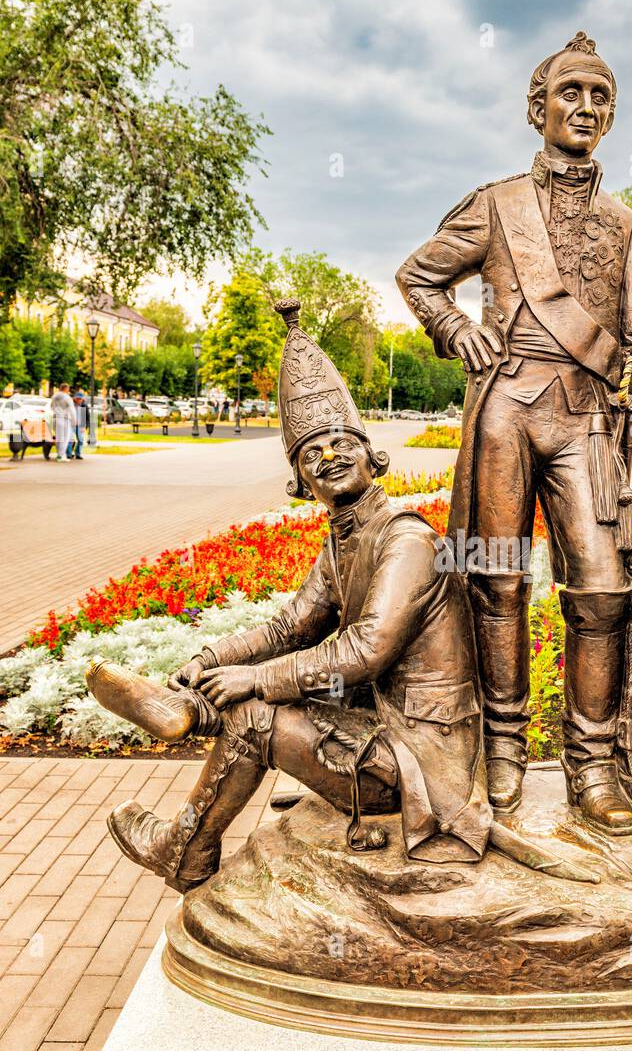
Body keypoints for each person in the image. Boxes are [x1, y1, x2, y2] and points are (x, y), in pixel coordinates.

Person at [396, 31, 632, 833]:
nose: (587, 109)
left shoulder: (626, 224)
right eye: (573, 93)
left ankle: (592, 766)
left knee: (601, 590)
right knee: (496, 580)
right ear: (538, 109)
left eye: (602, 98)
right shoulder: (496, 205)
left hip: (588, 421)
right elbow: (418, 276)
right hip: (505, 414)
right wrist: (453, 329)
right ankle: (500, 752)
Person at [91, 300, 492, 893]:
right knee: (251, 695)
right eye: (310, 453)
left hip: (424, 764)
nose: (327, 456)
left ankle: (185, 847)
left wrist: (254, 681)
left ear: (369, 452)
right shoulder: (341, 543)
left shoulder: (406, 540)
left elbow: (364, 651)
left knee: (253, 715)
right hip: (381, 730)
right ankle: (191, 709)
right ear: (300, 481)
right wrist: (212, 659)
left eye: (339, 443)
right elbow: (290, 628)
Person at [50, 383, 76, 461]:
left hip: (55, 418)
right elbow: (72, 409)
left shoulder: (54, 397)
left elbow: (51, 407)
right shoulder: (67, 397)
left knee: (58, 438)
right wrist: (74, 420)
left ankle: (59, 454)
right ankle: (61, 456)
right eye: (68, 389)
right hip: (64, 419)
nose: (68, 390)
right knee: (65, 438)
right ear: (65, 389)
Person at [67, 389, 89, 460]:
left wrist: (85, 426)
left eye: (80, 399)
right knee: (70, 439)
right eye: (78, 399)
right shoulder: (71, 405)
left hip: (80, 425)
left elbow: (87, 417)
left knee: (81, 440)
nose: (79, 400)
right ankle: (69, 454)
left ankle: (78, 454)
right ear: (74, 398)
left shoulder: (84, 405)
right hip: (71, 424)